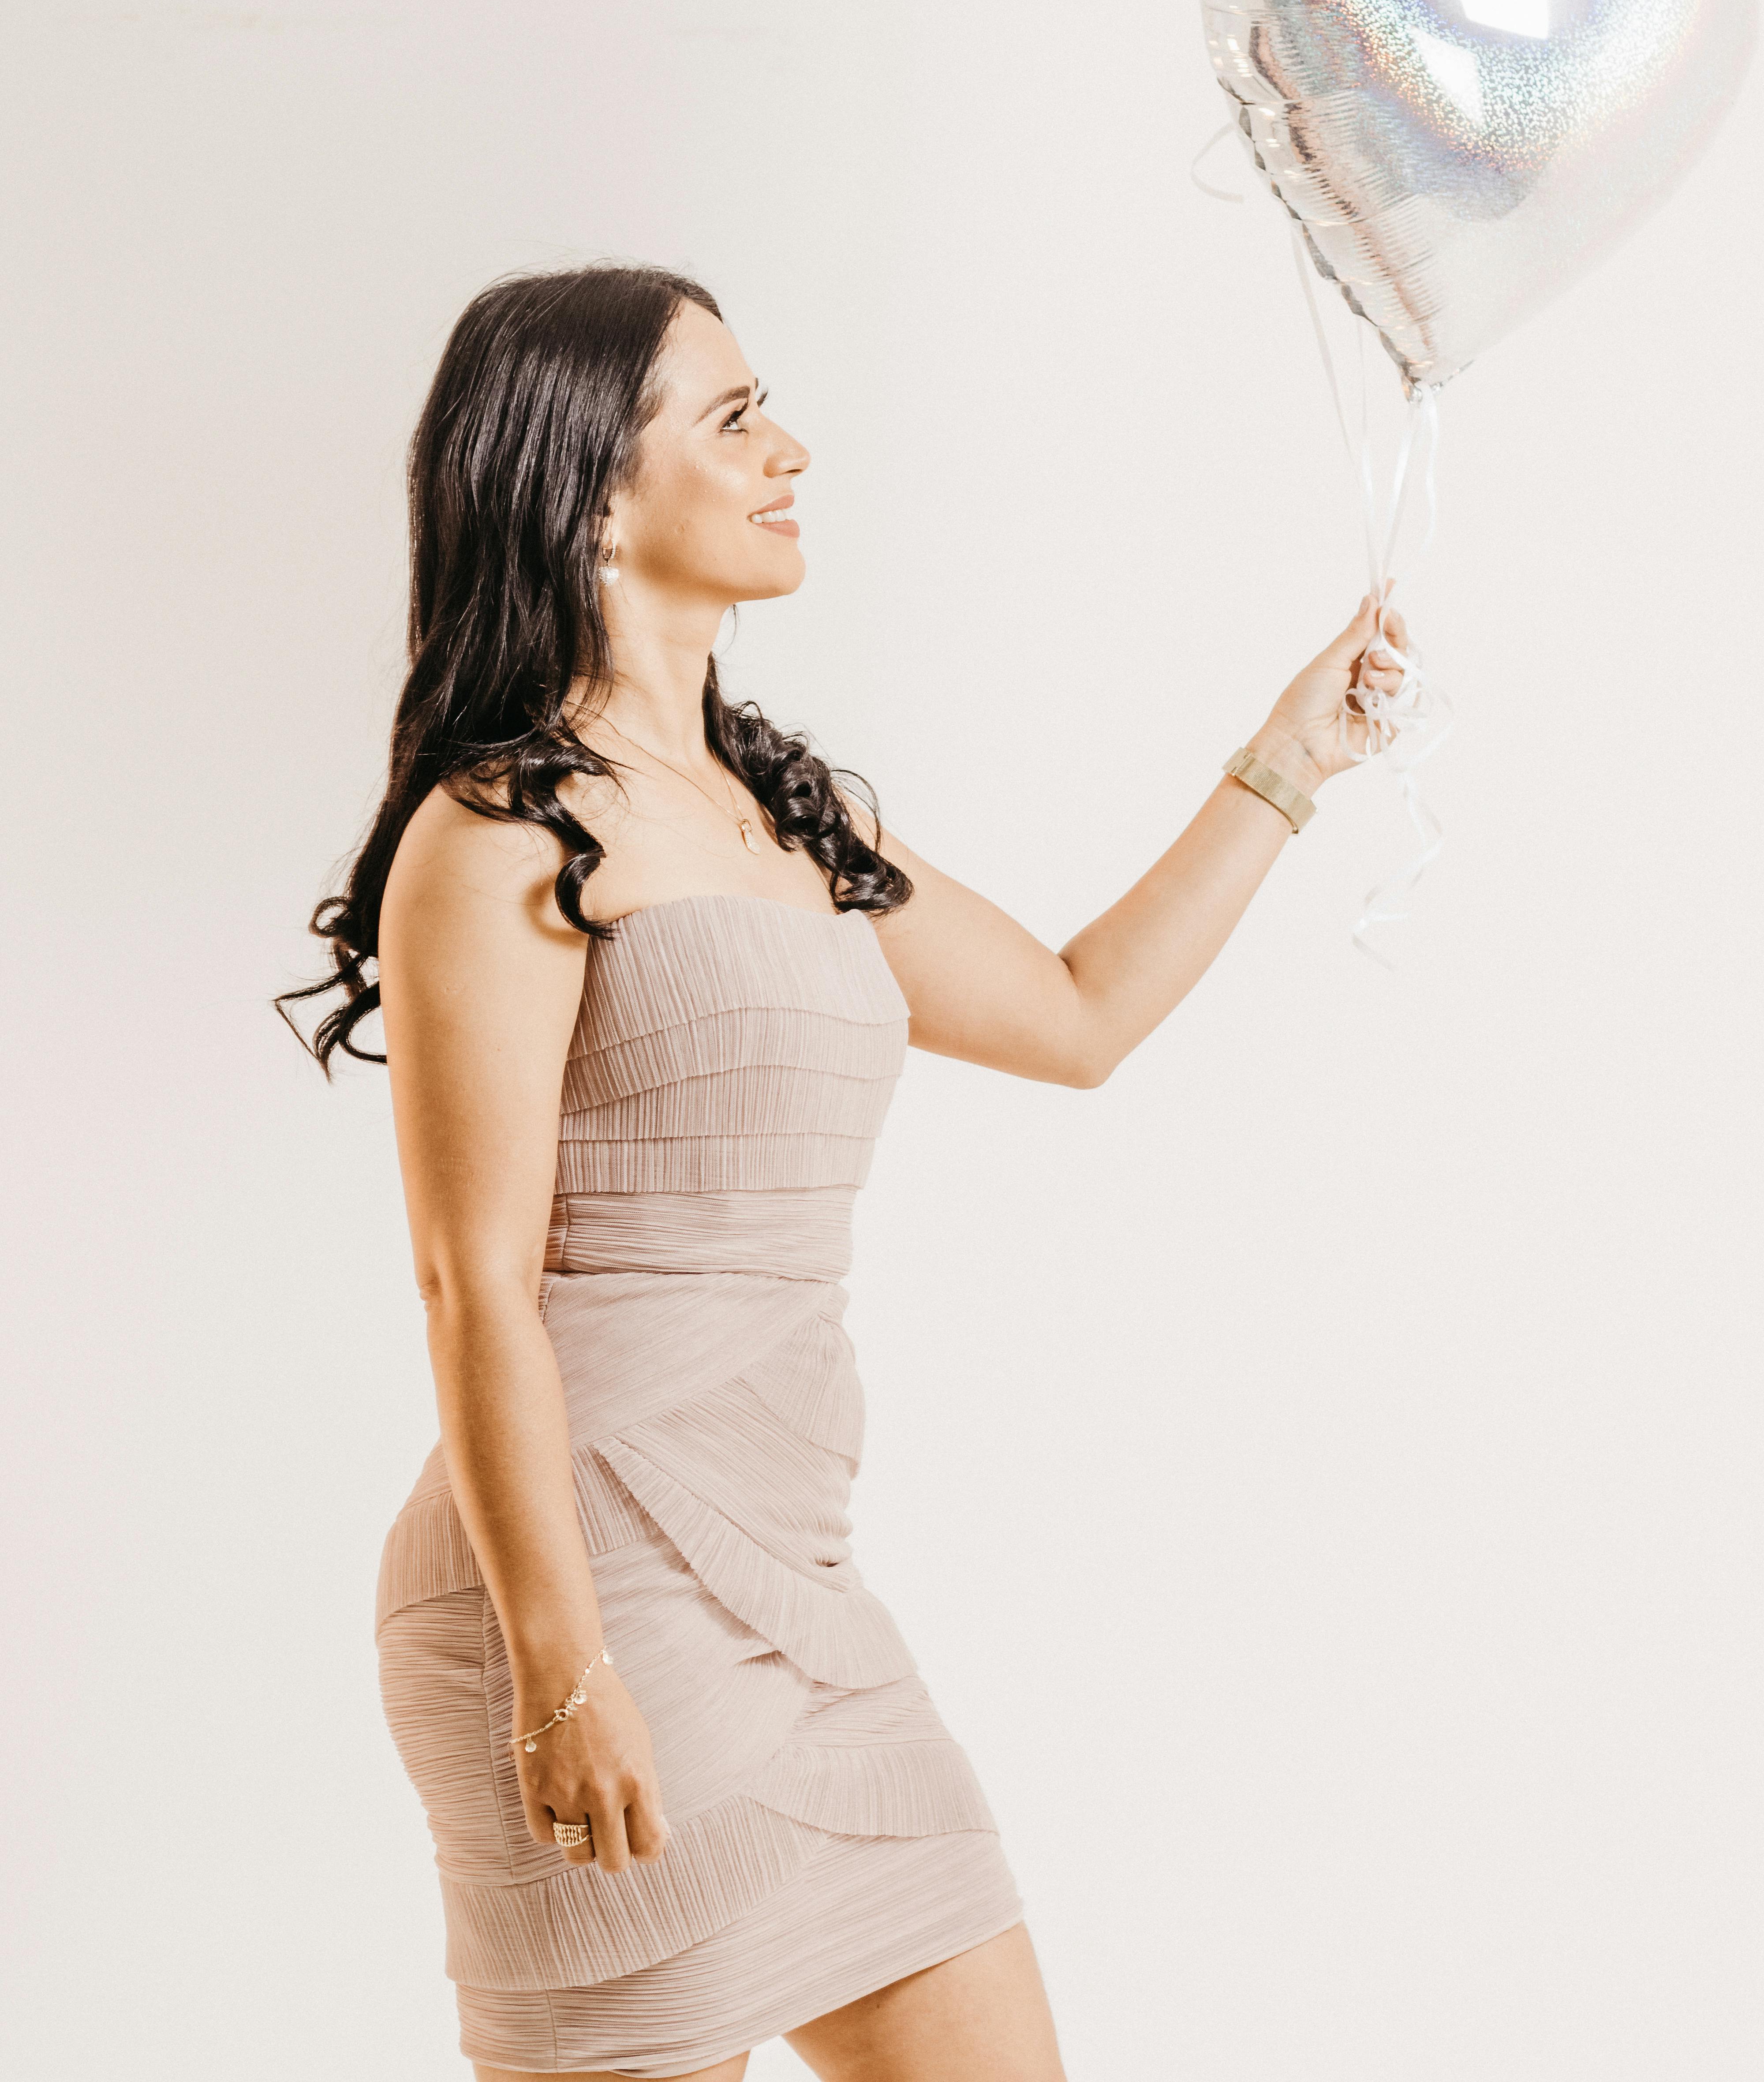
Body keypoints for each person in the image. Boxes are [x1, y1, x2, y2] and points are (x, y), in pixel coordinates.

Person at [280, 262, 1406, 2082]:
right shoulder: (498, 835)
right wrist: (564, 1679)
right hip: (583, 1591)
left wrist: (1291, 761)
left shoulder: (798, 816)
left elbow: (1073, 1012)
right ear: (585, 491)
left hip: (800, 1588)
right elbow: (470, 1286)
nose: (791, 449)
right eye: (734, 422)